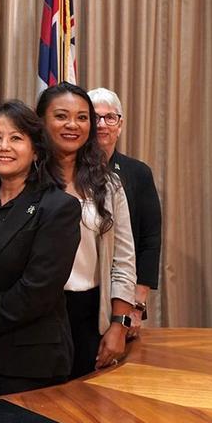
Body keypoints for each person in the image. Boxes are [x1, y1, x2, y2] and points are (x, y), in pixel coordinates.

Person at [0, 100, 82, 398]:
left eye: (16, 138)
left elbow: (39, 291)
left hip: (29, 364)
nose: (3, 146)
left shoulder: (59, 207)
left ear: (36, 149)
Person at [37, 83, 136, 378]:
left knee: (85, 413)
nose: (72, 125)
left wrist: (119, 324)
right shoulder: (26, 181)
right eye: (61, 116)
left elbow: (123, 260)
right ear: (41, 120)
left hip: (91, 314)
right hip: (36, 315)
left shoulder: (108, 185)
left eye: (82, 117)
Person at [88, 88, 162, 338]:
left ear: (120, 125)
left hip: (125, 295)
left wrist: (137, 304)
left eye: (110, 118)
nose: (102, 125)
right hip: (86, 290)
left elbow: (150, 241)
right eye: (95, 117)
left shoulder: (138, 173)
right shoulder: (70, 173)